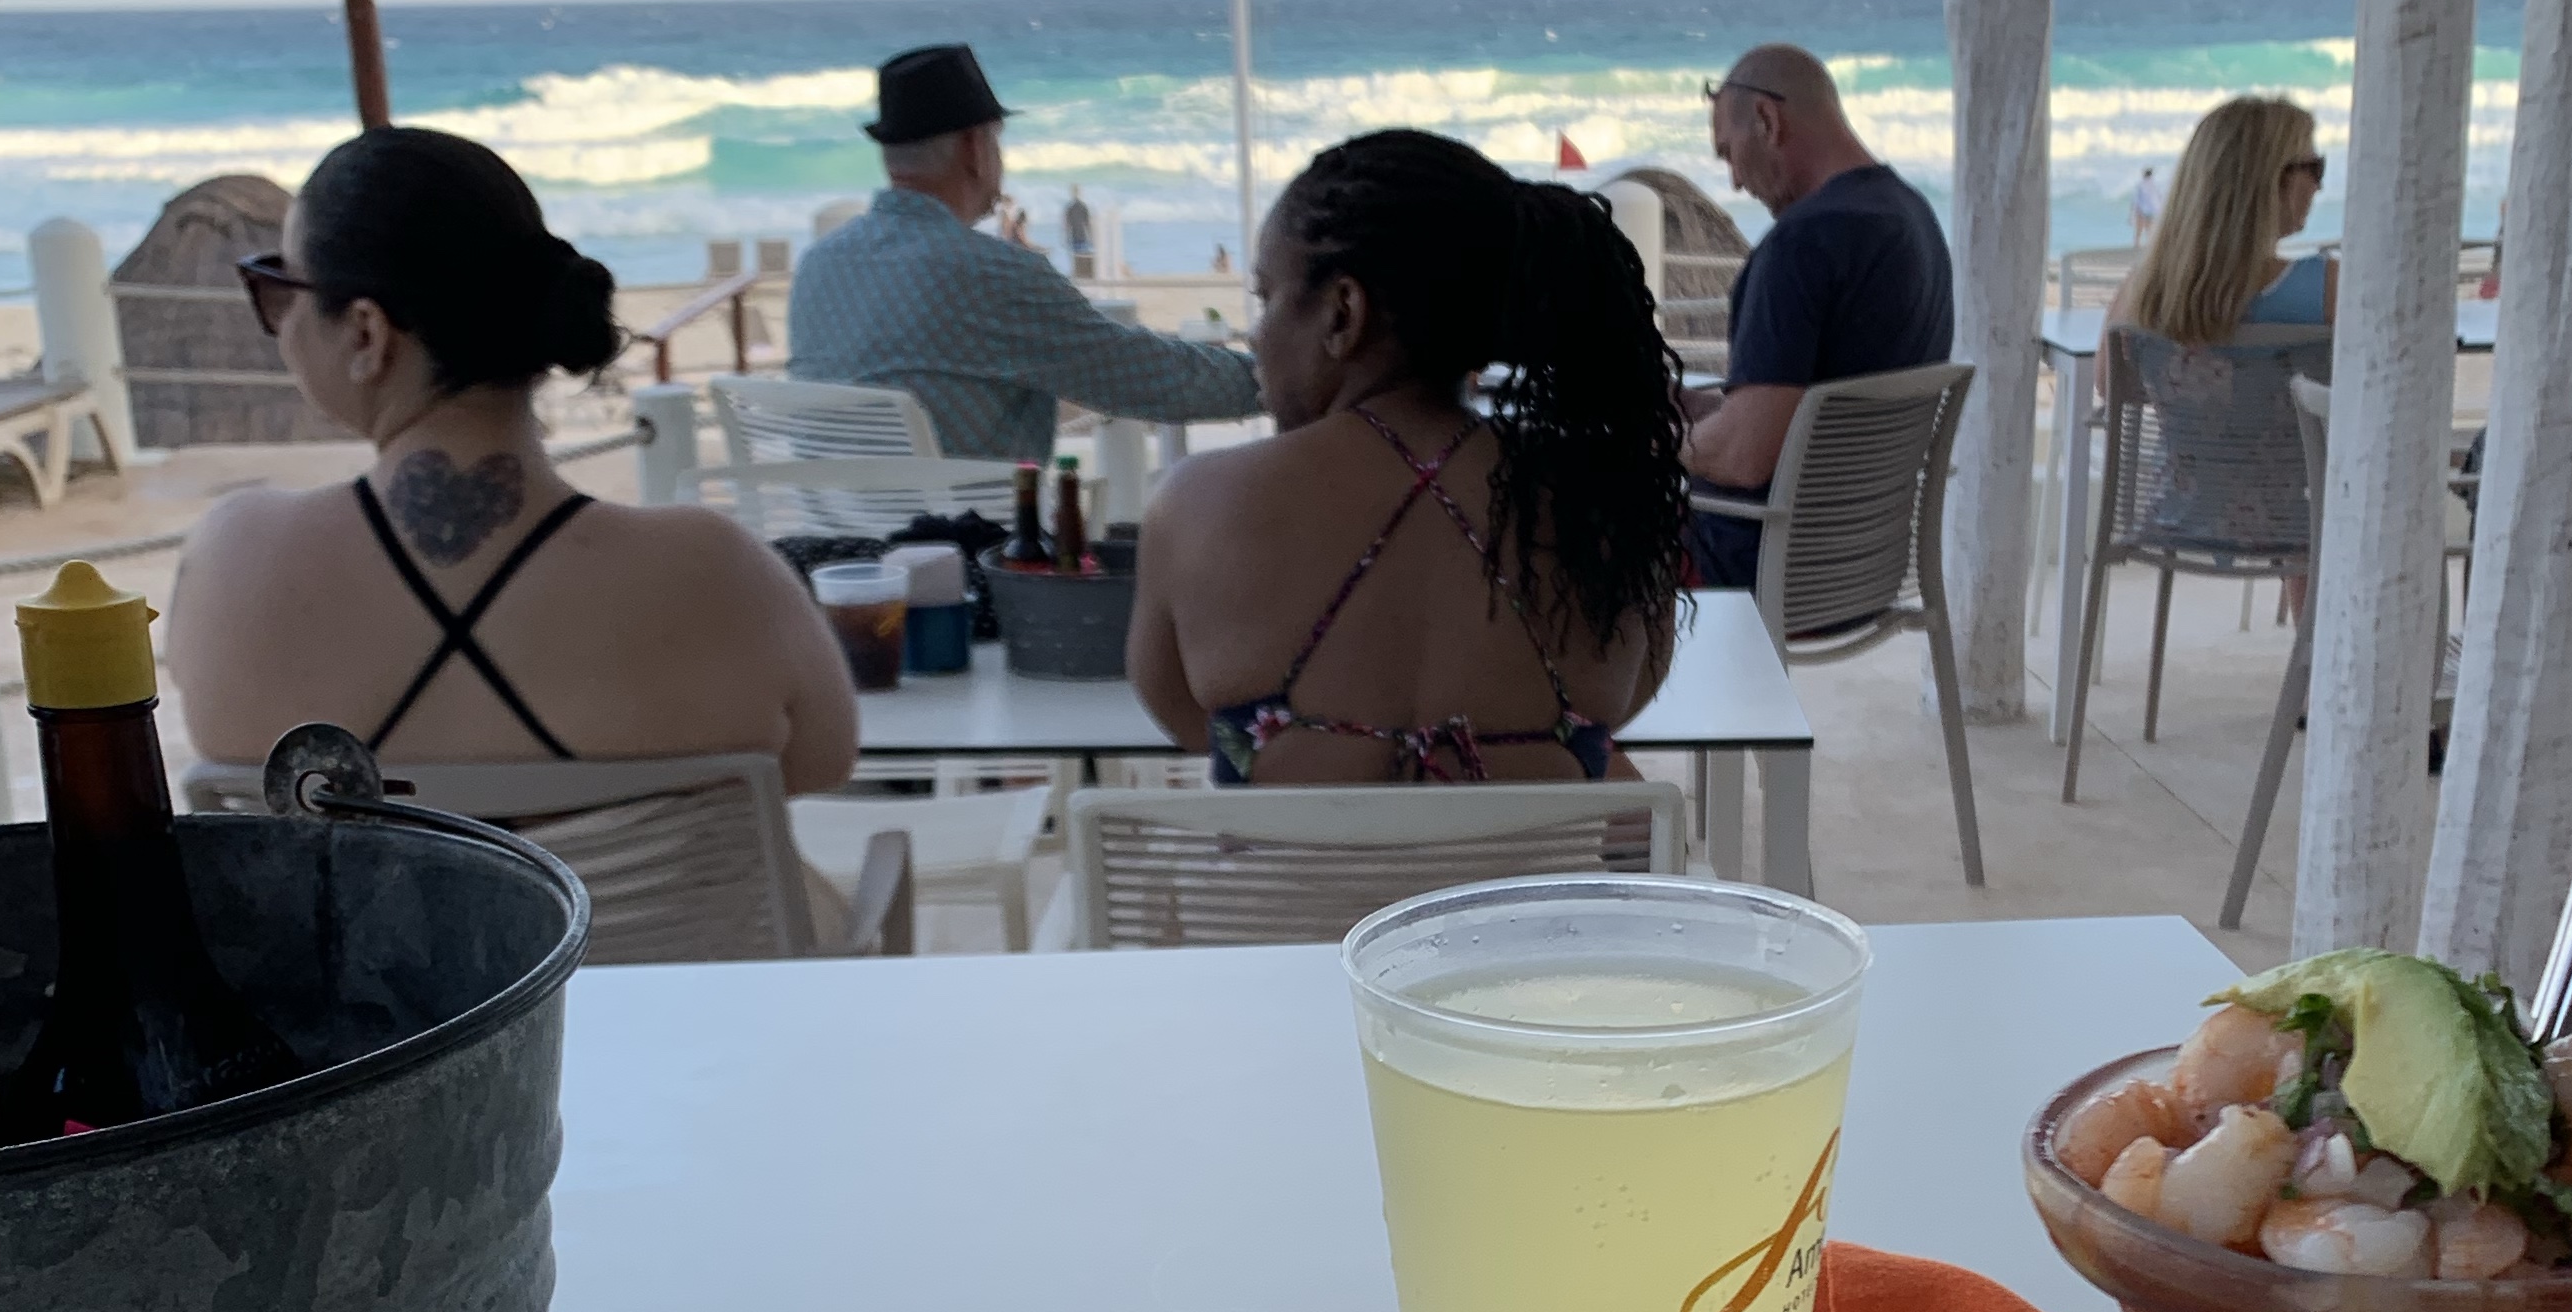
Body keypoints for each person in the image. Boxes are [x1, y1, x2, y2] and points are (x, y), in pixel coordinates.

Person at [169, 128, 856, 788]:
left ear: (366, 332)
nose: (281, 323)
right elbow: (822, 763)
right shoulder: (717, 572)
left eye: (282, 290)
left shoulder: (234, 561)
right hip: (652, 880)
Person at [1127, 130, 1685, 785]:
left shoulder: (1195, 504)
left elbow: (1185, 724)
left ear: (1343, 313)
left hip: (1298, 858)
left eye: (1265, 296)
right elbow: (1631, 700)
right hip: (1531, 858)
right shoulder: (1603, 506)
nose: (1257, 334)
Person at [790, 44, 1259, 456]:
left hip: (839, 528)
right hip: (976, 527)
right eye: (996, 140)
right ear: (975, 149)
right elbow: (1143, 377)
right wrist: (1275, 376)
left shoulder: (818, 265)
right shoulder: (991, 274)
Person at [1682, 45, 1950, 591]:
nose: (1735, 182)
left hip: (1759, 569)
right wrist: (1688, 408)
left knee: (1547, 522)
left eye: (1729, 154)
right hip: (1863, 570)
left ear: (1767, 120)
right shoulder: (1913, 220)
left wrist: (1643, 438)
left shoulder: (1800, 246)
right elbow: (1808, 422)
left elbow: (1745, 456)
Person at [2109, 96, 2335, 352]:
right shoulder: (2330, 290)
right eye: (2315, 168)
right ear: (2273, 179)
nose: (2318, 186)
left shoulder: (2140, 294)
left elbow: (2113, 377)